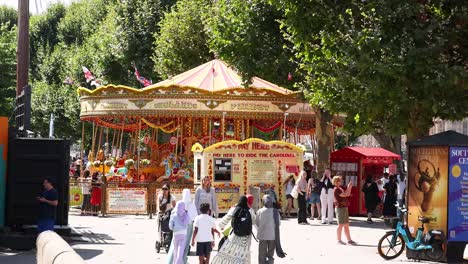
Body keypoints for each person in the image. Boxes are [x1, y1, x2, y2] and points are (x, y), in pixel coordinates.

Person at [212, 195, 255, 264]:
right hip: (246, 238)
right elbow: (254, 221)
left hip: (234, 236)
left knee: (232, 253)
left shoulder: (234, 209)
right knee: (244, 254)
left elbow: (225, 219)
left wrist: (221, 226)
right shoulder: (251, 211)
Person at [166, 189, 198, 264]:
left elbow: (172, 216)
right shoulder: (191, 204)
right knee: (184, 246)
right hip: (188, 229)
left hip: (177, 231)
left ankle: (172, 261)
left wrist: (174, 228)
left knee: (175, 247)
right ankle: (182, 260)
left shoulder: (179, 205)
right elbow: (194, 217)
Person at [257, 194, 281, 264]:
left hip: (262, 236)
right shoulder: (276, 212)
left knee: (262, 254)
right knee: (270, 254)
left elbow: (257, 223)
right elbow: (278, 224)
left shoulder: (260, 211)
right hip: (273, 236)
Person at [332, 176, 356, 245]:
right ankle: (339, 240)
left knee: (346, 225)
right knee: (340, 225)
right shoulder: (336, 189)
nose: (340, 182)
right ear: (336, 182)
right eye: (339, 181)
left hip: (344, 207)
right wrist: (349, 187)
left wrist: (349, 187)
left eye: (340, 180)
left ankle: (349, 240)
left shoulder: (339, 188)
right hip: (340, 208)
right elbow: (346, 194)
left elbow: (347, 194)